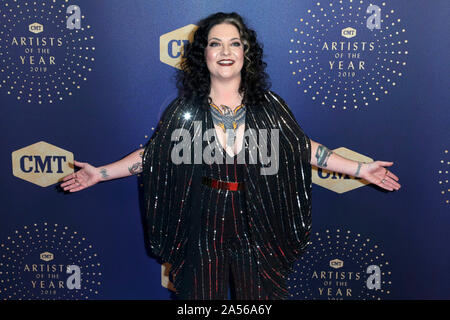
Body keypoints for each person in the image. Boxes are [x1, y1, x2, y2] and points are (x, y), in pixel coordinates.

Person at [60, 12, 401, 300]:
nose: (225, 51)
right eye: (215, 43)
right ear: (203, 54)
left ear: (245, 53)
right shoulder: (185, 111)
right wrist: (99, 173)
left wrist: (361, 169)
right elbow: (153, 157)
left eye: (234, 43)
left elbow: (303, 148)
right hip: (202, 220)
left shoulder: (269, 106)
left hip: (259, 220)